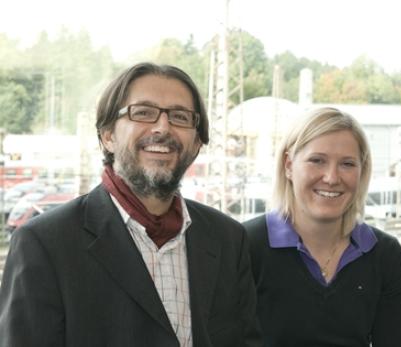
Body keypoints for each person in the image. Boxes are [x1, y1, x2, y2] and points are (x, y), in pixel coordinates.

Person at [0, 63, 261, 347]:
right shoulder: (45, 243)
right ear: (108, 135)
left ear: (197, 142)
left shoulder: (227, 238)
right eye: (143, 113)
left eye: (180, 117)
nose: (163, 127)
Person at [243, 107, 401, 347]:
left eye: (347, 164)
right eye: (317, 161)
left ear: (362, 171)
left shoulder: (384, 254)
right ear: (289, 165)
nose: (332, 178)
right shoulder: (246, 246)